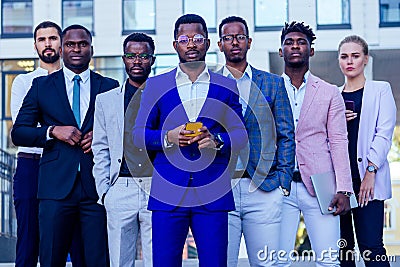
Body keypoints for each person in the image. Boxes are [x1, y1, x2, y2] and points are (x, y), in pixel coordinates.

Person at [133, 14, 247, 267]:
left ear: (207, 43)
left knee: (215, 263)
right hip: (168, 192)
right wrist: (168, 137)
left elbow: (241, 134)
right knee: (164, 263)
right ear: (175, 45)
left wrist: (217, 141)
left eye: (197, 38)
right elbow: (138, 134)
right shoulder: (155, 85)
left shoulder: (226, 85)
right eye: (184, 39)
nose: (191, 44)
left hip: (213, 191)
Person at [11, 24, 119, 267]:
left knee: (98, 260)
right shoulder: (41, 86)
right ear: (62, 49)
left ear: (91, 49)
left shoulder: (110, 86)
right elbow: (19, 133)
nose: (77, 49)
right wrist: (51, 131)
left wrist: (102, 135)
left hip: (97, 189)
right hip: (54, 189)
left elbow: (124, 134)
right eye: (70, 44)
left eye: (83, 44)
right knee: (50, 258)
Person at [216, 16, 295, 267]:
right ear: (220, 45)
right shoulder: (208, 83)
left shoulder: (272, 84)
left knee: (266, 263)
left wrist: (282, 180)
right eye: (228, 38)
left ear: (249, 41)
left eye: (240, 37)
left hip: (263, 188)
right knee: (221, 262)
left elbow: (286, 134)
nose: (234, 42)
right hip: (220, 188)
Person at [276, 21, 353, 267]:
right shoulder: (269, 88)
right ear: (281, 51)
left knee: (329, 261)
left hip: (321, 187)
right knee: (277, 261)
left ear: (311, 51)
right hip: (280, 186)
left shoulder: (330, 92)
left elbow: (339, 141)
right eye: (289, 42)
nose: (295, 46)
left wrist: (343, 189)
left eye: (301, 42)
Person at [10, 21, 84, 267]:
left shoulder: (77, 82)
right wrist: (54, 131)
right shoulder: (24, 82)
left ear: (62, 44)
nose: (48, 44)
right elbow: (24, 129)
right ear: (35, 46)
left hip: (68, 167)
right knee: (29, 240)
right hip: (32, 166)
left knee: (74, 241)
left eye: (53, 38)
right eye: (42, 40)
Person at [92, 32, 156, 267]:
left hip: (156, 187)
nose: (137, 61)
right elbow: (100, 149)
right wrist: (105, 193)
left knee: (157, 260)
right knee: (119, 261)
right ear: (124, 59)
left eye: (143, 56)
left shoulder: (166, 96)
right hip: (120, 187)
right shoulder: (106, 100)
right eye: (131, 55)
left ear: (152, 59)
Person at [337, 35, 396, 267]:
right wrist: (336, 119)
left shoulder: (381, 90)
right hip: (339, 183)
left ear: (366, 59)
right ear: (339, 61)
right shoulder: (333, 95)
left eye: (355, 55)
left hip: (368, 181)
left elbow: (384, 133)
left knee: (371, 247)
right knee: (343, 249)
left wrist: (371, 170)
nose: (349, 61)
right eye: (344, 56)